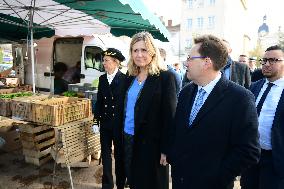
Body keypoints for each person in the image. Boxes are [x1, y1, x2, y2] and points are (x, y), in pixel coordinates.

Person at [169, 35, 260, 189]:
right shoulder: (186, 92)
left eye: (190, 58)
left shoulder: (240, 98)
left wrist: (218, 175)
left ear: (206, 62)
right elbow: (179, 133)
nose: (186, 63)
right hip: (181, 181)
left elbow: (249, 150)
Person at [123, 32, 177, 189]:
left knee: (152, 183)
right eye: (135, 50)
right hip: (128, 138)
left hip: (152, 144)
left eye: (144, 50)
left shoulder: (165, 78)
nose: (139, 55)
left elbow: (170, 116)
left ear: (153, 52)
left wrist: (166, 149)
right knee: (133, 180)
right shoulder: (130, 76)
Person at [240, 45, 284, 189]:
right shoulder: (254, 87)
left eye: (273, 60)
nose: (266, 64)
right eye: (264, 60)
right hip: (251, 157)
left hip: (276, 159)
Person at [94, 48, 126, 189]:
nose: (104, 63)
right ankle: (107, 184)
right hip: (105, 123)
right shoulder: (102, 79)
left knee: (119, 156)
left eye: (106, 60)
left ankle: (120, 184)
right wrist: (96, 120)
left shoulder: (125, 79)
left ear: (116, 62)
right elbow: (99, 101)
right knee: (106, 156)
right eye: (104, 60)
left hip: (118, 125)